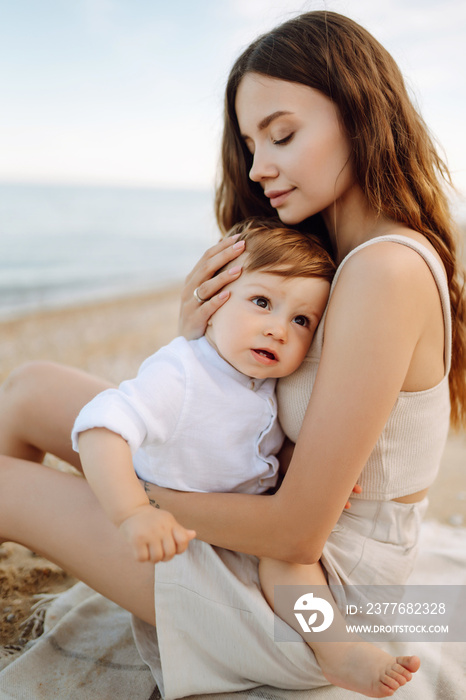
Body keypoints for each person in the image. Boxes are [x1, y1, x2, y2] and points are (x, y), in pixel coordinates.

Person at [0, 9, 465, 700]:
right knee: (31, 387)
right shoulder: (337, 259)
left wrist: (129, 493)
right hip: (267, 514)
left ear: (361, 114)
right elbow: (244, 405)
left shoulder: (385, 273)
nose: (259, 166)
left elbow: (299, 533)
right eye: (252, 142)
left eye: (283, 135)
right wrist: (199, 340)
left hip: (316, 604)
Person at [71, 218, 334, 565]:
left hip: (232, 531)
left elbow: (257, 449)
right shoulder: (183, 373)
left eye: (301, 320)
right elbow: (100, 428)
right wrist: (133, 512)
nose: (279, 330)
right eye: (262, 302)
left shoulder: (265, 383)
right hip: (170, 538)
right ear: (212, 300)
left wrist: (316, 477)